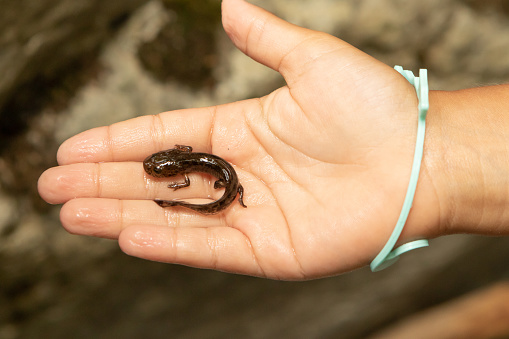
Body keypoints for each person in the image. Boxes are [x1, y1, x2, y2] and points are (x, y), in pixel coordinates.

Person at [37, 0, 509, 280]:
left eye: (162, 169)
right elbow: (196, 162)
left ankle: (211, 203)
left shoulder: (188, 167)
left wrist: (429, 158)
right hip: (225, 177)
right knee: (219, 191)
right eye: (163, 167)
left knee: (219, 192)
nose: (163, 167)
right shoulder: (186, 162)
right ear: (173, 163)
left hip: (228, 178)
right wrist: (434, 162)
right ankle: (213, 203)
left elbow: (200, 166)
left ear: (172, 167)